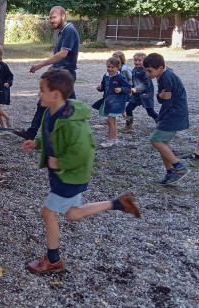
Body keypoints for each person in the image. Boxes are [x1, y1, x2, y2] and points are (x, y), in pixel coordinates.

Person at [22, 68, 141, 275]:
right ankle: (118, 203)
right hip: (65, 174)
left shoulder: (74, 124)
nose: (39, 94)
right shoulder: (50, 113)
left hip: (70, 176)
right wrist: (37, 143)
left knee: (48, 212)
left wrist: (59, 163)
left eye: (42, 90)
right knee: (73, 213)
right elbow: (51, 137)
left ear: (56, 94)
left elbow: (84, 153)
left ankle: (53, 260)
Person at [15, 6, 80, 141]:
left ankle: (74, 135)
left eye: (54, 17)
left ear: (63, 16)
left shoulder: (69, 30)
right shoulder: (62, 31)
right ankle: (32, 133)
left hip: (65, 76)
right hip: (59, 73)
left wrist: (40, 65)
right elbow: (59, 58)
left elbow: (63, 54)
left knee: (70, 107)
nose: (51, 20)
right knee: (49, 103)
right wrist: (51, 70)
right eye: (50, 18)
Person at [143, 53, 190, 185]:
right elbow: (162, 97)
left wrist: (161, 116)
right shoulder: (163, 74)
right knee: (162, 143)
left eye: (149, 71)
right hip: (172, 113)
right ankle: (170, 173)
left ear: (160, 67)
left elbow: (167, 100)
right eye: (146, 70)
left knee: (155, 140)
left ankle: (179, 168)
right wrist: (160, 97)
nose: (147, 74)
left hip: (174, 114)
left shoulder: (166, 77)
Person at [92, 56, 131, 148]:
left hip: (117, 102)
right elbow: (103, 86)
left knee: (110, 120)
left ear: (118, 68)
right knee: (113, 121)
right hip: (108, 101)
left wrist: (121, 89)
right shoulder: (105, 76)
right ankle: (115, 138)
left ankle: (110, 140)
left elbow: (128, 87)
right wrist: (100, 88)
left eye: (112, 67)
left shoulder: (120, 77)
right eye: (108, 66)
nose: (110, 69)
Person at [124, 52, 158, 131]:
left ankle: (160, 123)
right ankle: (128, 124)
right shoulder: (134, 70)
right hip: (136, 95)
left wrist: (136, 89)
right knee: (128, 108)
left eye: (139, 60)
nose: (137, 62)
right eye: (135, 60)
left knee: (150, 111)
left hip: (146, 95)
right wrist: (129, 88)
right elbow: (132, 81)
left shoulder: (145, 71)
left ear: (144, 61)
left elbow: (146, 84)